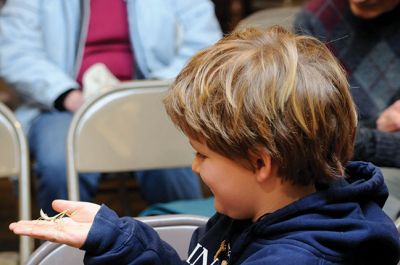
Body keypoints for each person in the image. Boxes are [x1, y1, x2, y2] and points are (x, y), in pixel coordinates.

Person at [9, 26, 400, 265]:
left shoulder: (295, 257)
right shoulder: (248, 212)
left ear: (261, 163)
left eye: (202, 153)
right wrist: (120, 240)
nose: (194, 166)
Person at [0, 0, 222, 214]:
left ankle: (186, 243)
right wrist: (66, 95)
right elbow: (14, 50)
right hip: (63, 106)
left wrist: (148, 92)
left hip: (150, 100)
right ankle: (65, 249)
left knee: (172, 160)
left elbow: (203, 44)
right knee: (59, 165)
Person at [293, 0, 400, 168]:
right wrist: (377, 127)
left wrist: (346, 138)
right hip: (328, 166)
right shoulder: (315, 19)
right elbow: (307, 135)